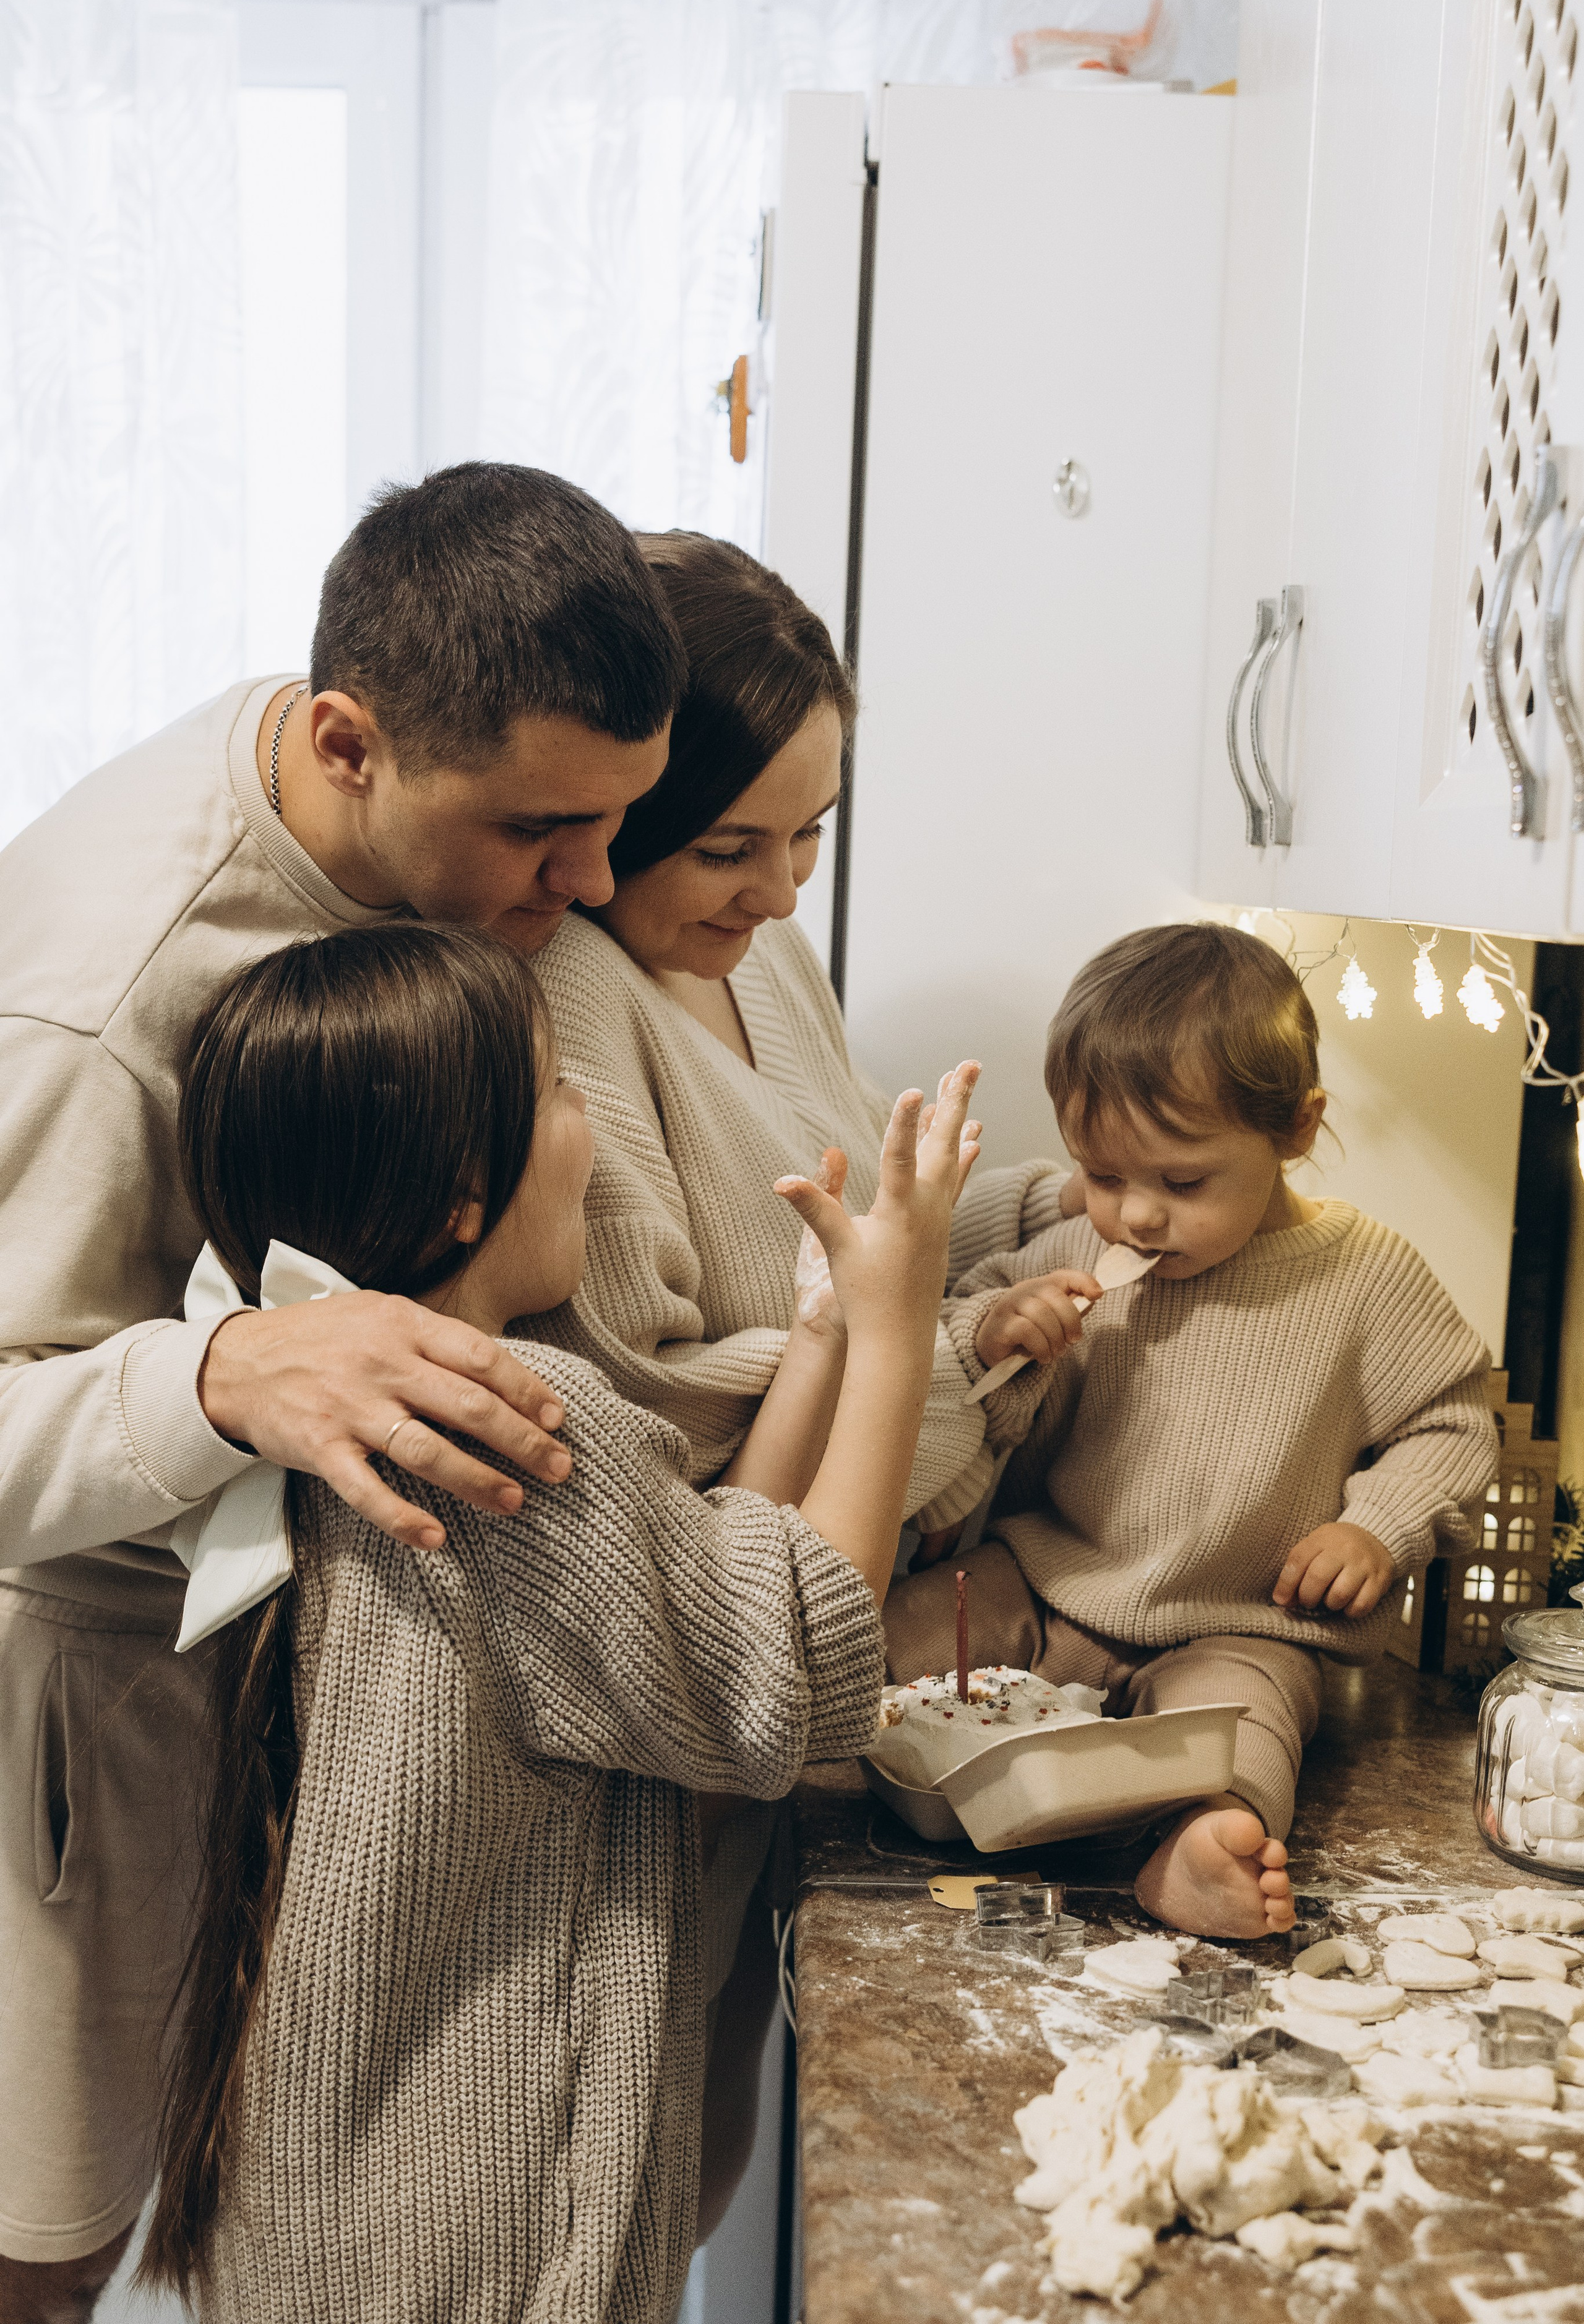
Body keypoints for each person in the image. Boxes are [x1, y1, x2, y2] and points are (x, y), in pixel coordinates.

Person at [0, 463, 684, 2315]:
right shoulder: (101, 995)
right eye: (544, 829)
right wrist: (228, 1373)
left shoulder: (423, 821)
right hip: (69, 1707)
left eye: (619, 820)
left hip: (253, 1689)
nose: (593, 884)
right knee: (45, 2256)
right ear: (346, 743)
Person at [135, 924, 981, 2324]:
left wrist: (822, 1340)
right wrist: (902, 1326)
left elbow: (702, 1597)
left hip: (334, 2195)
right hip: (482, 2233)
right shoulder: (500, 1421)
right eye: (560, 1090)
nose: (590, 1121)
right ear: (467, 1192)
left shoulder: (332, 1399)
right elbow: (780, 1670)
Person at [523, 531, 1075, 2230]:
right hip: (679, 1693)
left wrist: (1045, 1204)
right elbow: (653, 1399)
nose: (779, 891)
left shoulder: (750, 946)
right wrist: (950, 1348)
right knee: (620, 2182)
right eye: (730, 845)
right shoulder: (566, 992)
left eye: (812, 834)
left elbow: (847, 1206)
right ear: (622, 807)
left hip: (809, 1643)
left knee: (699, 2159)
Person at [885, 923, 1498, 1940]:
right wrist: (995, 1329)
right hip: (1045, 1579)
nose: (1136, 1218)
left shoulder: (1368, 1275)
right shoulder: (1076, 1248)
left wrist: (1377, 1527)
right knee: (890, 1635)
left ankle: (1202, 1846)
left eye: (1181, 1183)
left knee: (1247, 1730)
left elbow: (1452, 1422)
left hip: (1244, 1620)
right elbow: (960, 1351)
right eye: (1104, 1175)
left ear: (1297, 1128)